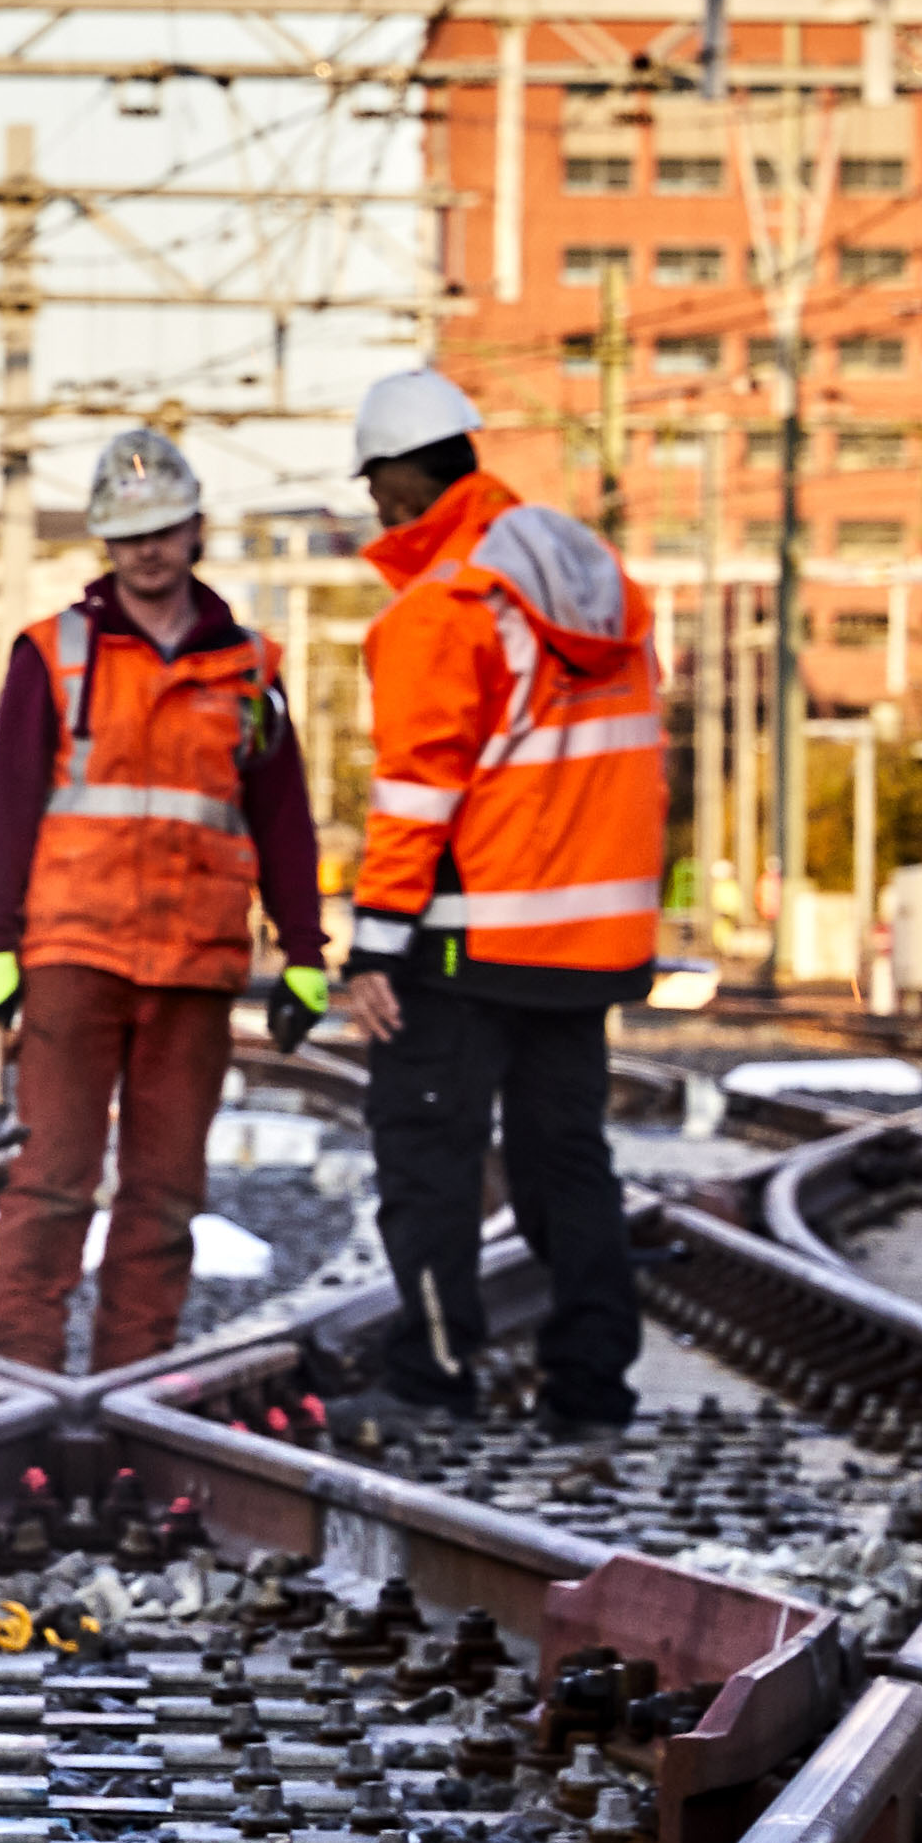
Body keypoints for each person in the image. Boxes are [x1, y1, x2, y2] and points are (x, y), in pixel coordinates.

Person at [0, 427, 329, 1375]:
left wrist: (307, 951)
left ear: (195, 528)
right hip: (75, 952)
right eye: (129, 536)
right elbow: (4, 804)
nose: (147, 550)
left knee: (166, 1195)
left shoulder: (250, 669)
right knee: (52, 1183)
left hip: (195, 962)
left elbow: (282, 817)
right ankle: (21, 1379)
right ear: (104, 543)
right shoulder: (55, 655)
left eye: (162, 530)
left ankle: (134, 1383)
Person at [335, 364, 663, 1425]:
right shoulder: (590, 578)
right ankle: (593, 1383)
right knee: (568, 1161)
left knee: (426, 1156)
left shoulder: (447, 604)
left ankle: (430, 1377)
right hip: (584, 940)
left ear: (392, 484)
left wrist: (375, 950)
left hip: (466, 940)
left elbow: (415, 796)